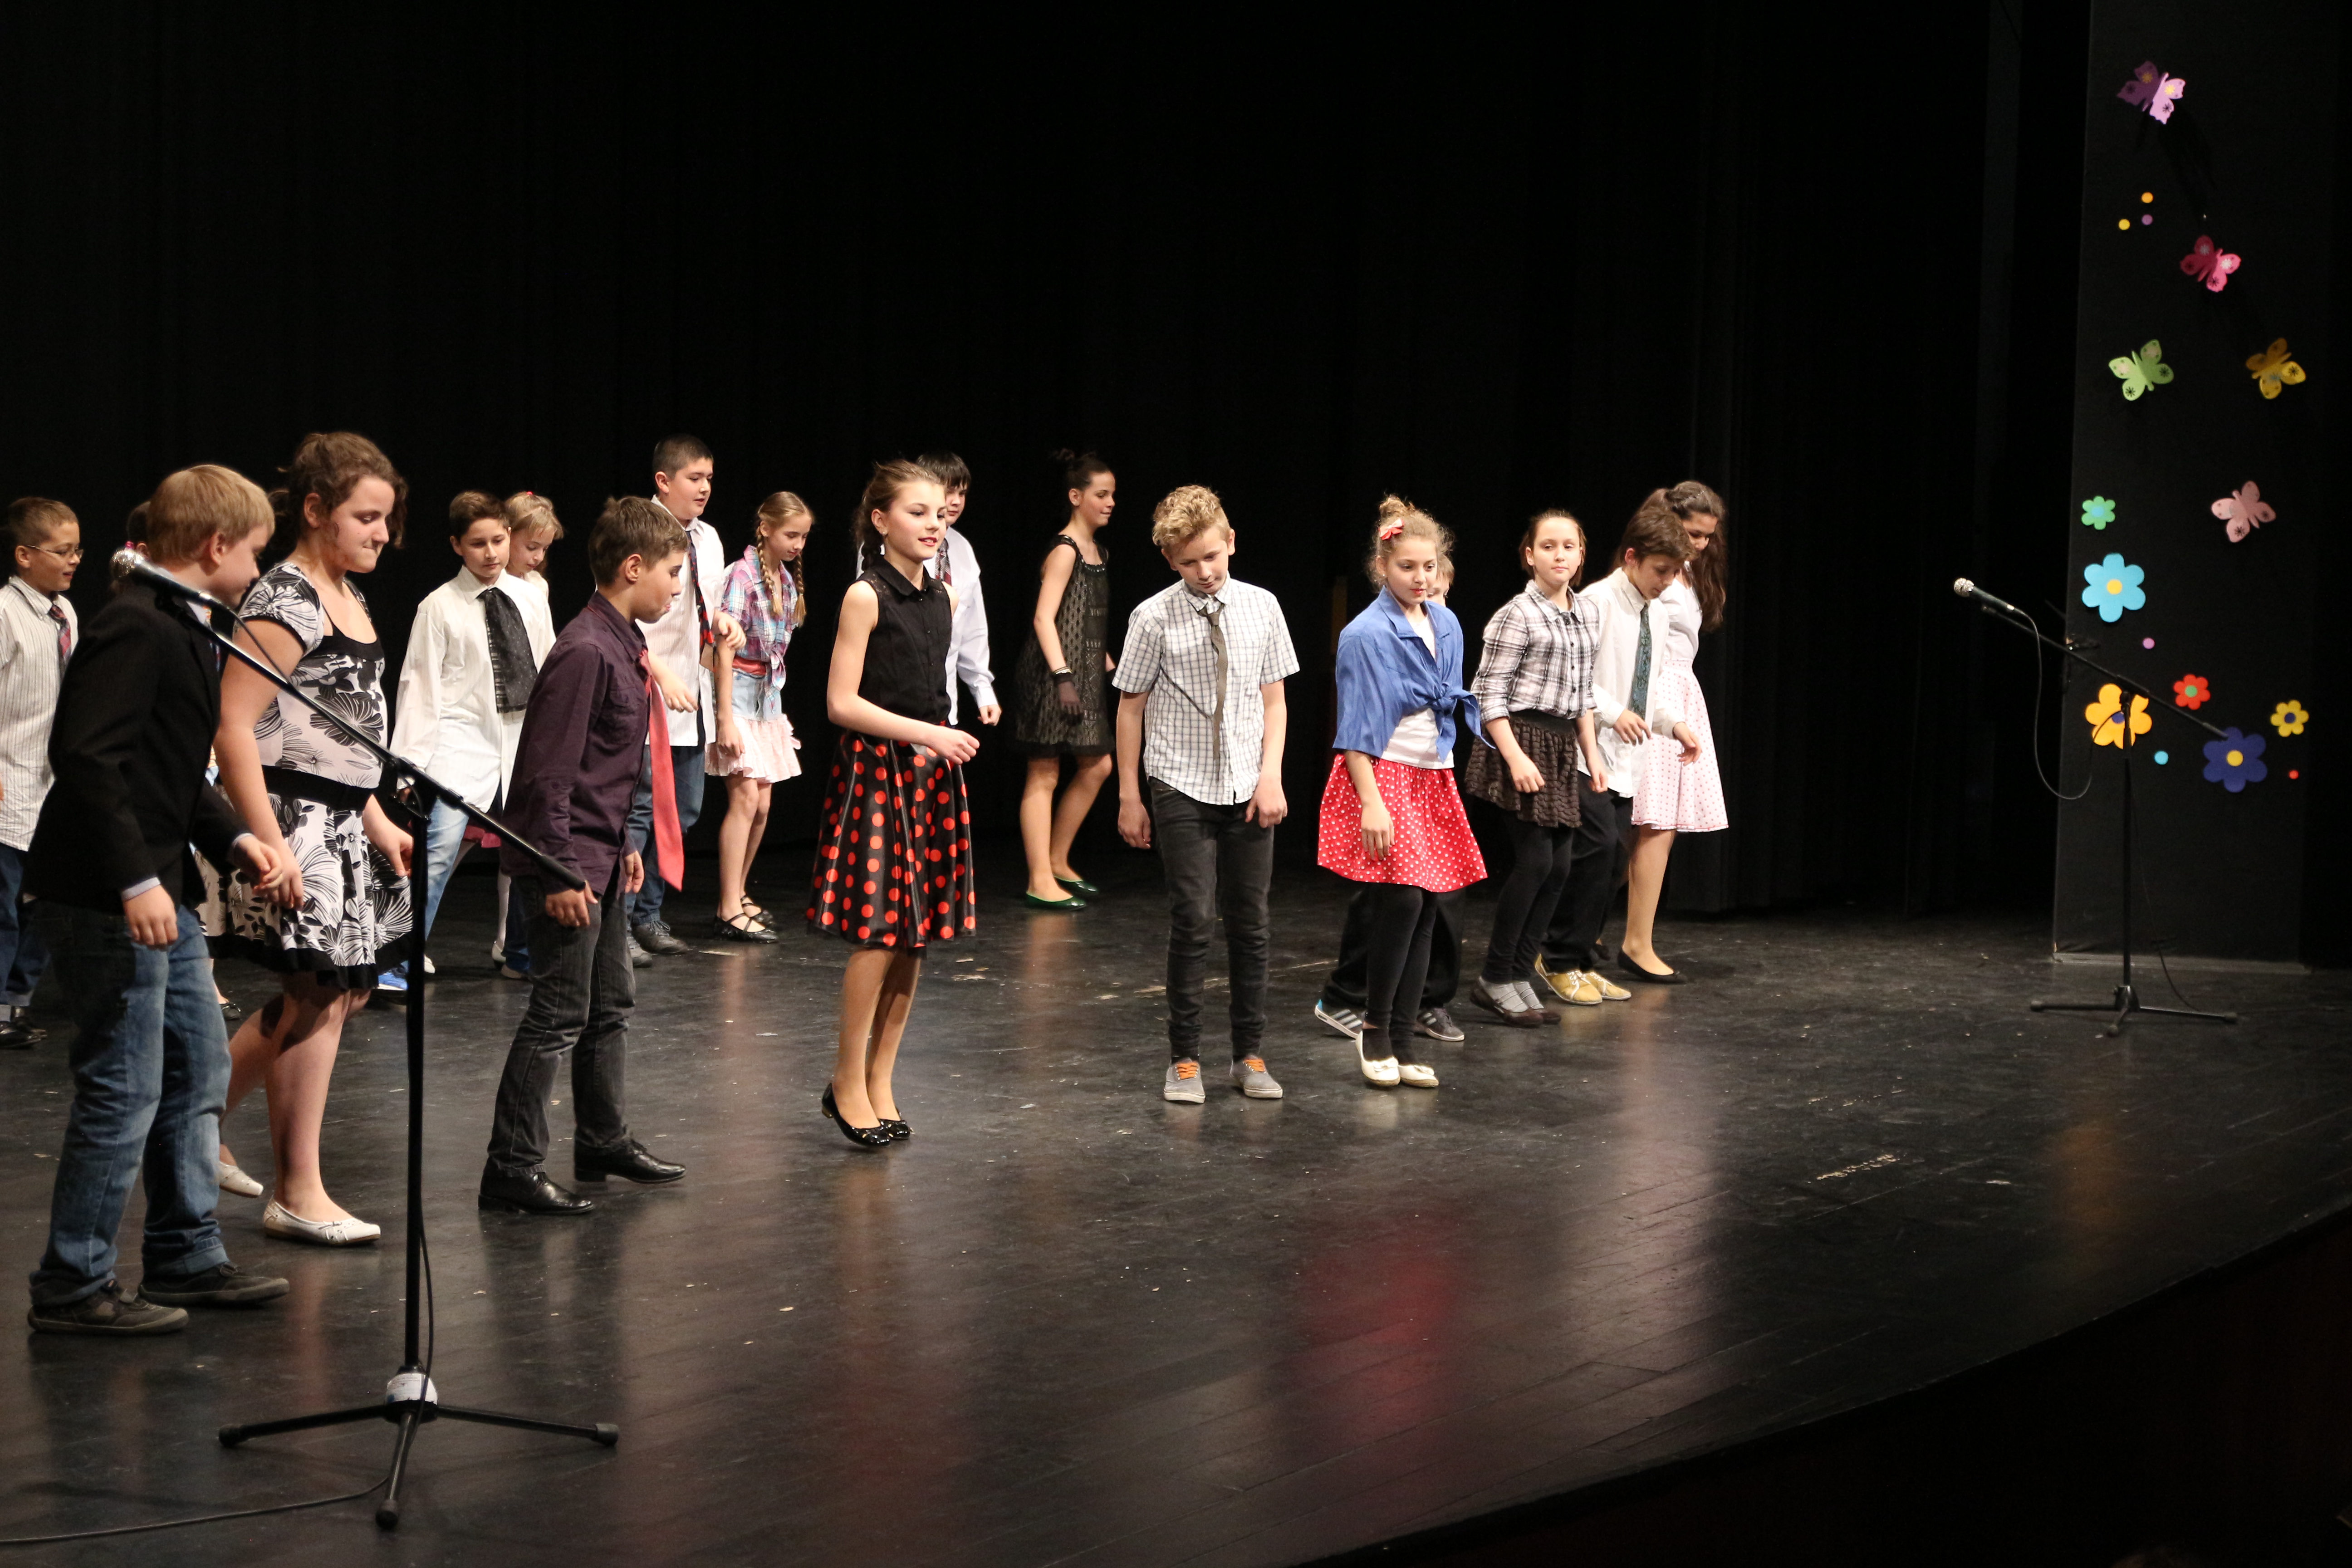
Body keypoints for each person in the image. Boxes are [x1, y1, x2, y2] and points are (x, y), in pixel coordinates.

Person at [26, 465, 294, 1334]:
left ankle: (185, 1255)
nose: (257, 571)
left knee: (197, 1066)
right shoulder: (136, 624)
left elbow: (167, 765)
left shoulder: (178, 621)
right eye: (253, 552)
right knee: (125, 1083)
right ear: (215, 545)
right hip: (110, 894)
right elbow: (88, 757)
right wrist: (136, 879)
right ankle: (73, 1284)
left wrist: (235, 840)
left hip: (155, 887)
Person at [212, 431, 414, 1248]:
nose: (382, 534)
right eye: (366, 517)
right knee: (319, 991)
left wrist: (376, 819)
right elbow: (234, 725)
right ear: (316, 509)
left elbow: (334, 730)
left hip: (340, 822)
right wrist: (270, 843)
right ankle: (295, 1187)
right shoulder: (287, 599)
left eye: (387, 519)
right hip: (294, 825)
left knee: (337, 992)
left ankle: (195, 1127)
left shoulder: (346, 594)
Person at [479, 497, 689, 1215]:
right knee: (558, 1013)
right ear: (633, 567)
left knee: (609, 1005)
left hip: (601, 858)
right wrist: (562, 873)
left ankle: (601, 1138)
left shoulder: (622, 642)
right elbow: (547, 777)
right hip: (567, 868)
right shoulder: (586, 651)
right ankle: (511, 1166)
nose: (677, 588)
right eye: (672, 572)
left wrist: (624, 844)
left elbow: (605, 768)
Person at [805, 461, 978, 1147]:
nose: (933, 524)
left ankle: (881, 1078)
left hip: (928, 775)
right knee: (878, 932)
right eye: (917, 512)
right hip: (878, 773)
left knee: (915, 934)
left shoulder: (944, 596)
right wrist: (927, 734)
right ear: (881, 521)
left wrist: (936, 740)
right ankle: (846, 1080)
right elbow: (840, 702)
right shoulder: (865, 594)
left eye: (939, 513)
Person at [1113, 485, 1299, 1103]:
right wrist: (1130, 795)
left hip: (1248, 782)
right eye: (1190, 562)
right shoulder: (1153, 617)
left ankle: (1249, 1054)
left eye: (1213, 557)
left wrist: (1271, 775)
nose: (1205, 571)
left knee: (1251, 924)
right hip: (1181, 781)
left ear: (1231, 544)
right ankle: (1185, 1058)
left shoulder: (1262, 607)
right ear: (1170, 560)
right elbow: (1130, 708)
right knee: (1193, 920)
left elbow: (1275, 702)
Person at [1318, 497, 1485, 1089]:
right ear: (1382, 567)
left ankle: (1406, 1042)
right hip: (1383, 772)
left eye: (1429, 567)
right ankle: (1375, 1032)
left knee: (1430, 905)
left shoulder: (1447, 624)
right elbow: (1356, 729)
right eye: (1407, 567)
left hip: (1431, 774)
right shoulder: (1365, 634)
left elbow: (1447, 702)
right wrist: (1371, 801)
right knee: (1405, 902)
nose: (1420, 578)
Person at [1534, 500, 1696, 1007]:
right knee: (1596, 849)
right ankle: (1556, 958)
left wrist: (1673, 724)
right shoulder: (1596, 603)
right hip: (1587, 752)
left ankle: (1581, 959)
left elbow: (1647, 685)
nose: (1668, 581)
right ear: (1632, 558)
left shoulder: (1657, 613)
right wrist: (1612, 712)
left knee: (1612, 863)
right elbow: (1574, 678)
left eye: (1675, 572)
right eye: (1661, 570)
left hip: (1628, 760)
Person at [387, 491, 554, 979]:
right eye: (478, 544)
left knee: (531, 851)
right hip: (459, 744)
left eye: (498, 541)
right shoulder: (438, 607)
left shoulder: (530, 598)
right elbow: (420, 687)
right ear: (457, 545)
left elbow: (549, 670)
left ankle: (521, 953)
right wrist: (408, 766)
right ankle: (398, 957)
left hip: (521, 741)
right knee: (437, 852)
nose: (491, 553)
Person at [1462, 510, 1608, 1025]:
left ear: (1581, 554)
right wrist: (1514, 756)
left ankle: (1520, 973)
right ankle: (1495, 976)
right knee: (1535, 862)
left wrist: (1593, 754)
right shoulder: (1517, 614)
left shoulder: (1587, 612)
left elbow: (1583, 693)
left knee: (1560, 866)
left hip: (1562, 745)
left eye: (1569, 546)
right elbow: (1487, 694)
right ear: (1530, 555)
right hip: (1521, 739)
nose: (1559, 555)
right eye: (1548, 546)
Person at [627, 435, 740, 959]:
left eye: (710, 479)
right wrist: (658, 675)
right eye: (695, 478)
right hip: (646, 689)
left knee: (684, 812)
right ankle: (621, 923)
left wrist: (723, 623)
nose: (705, 488)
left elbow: (707, 609)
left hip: (691, 697)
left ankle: (648, 916)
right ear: (664, 481)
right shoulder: (638, 529)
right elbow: (618, 615)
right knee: (641, 810)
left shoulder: (709, 539)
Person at [1621, 481, 1730, 984]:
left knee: (1654, 825)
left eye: (1707, 536)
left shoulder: (1686, 574)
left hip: (1679, 691)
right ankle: (1633, 943)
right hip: (1654, 693)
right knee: (1651, 822)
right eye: (1692, 533)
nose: (1700, 544)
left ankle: (1618, 938)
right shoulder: (1653, 574)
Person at [1010, 449, 1116, 909]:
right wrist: (1063, 676)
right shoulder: (1065, 549)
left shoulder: (1098, 551)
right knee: (1045, 770)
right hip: (1052, 675)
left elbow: (1084, 617)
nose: (1110, 503)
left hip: (1082, 674)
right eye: (1102, 494)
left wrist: (1105, 661)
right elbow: (1044, 618)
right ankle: (1039, 879)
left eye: (1112, 495)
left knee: (1099, 765)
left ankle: (1057, 859)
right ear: (1076, 497)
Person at [707, 491, 812, 942]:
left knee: (763, 804)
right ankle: (728, 906)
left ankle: (739, 890)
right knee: (745, 799)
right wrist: (725, 718)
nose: (798, 544)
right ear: (766, 528)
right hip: (737, 692)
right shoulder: (743, 575)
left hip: (767, 699)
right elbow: (724, 650)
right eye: (791, 535)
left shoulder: (785, 580)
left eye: (803, 537)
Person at [0, 498, 80, 1049]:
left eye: (78, 550)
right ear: (24, 555)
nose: (74, 560)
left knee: (47, 906)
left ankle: (15, 1002)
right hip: (9, 785)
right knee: (5, 909)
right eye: (62, 550)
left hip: (52, 788)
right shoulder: (5, 614)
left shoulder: (65, 613)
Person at [492, 490, 564, 979]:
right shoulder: (494, 588)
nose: (537, 557)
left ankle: (509, 941)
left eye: (543, 549)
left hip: (530, 721)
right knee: (477, 838)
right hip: (498, 726)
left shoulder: (537, 586)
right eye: (530, 546)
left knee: (515, 844)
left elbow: (546, 648)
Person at [919, 451, 1000, 728]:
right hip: (895, 705)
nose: (956, 501)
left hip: (944, 706)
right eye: (949, 491)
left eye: (962, 493)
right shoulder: (897, 544)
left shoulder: (962, 549)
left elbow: (973, 628)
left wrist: (982, 689)